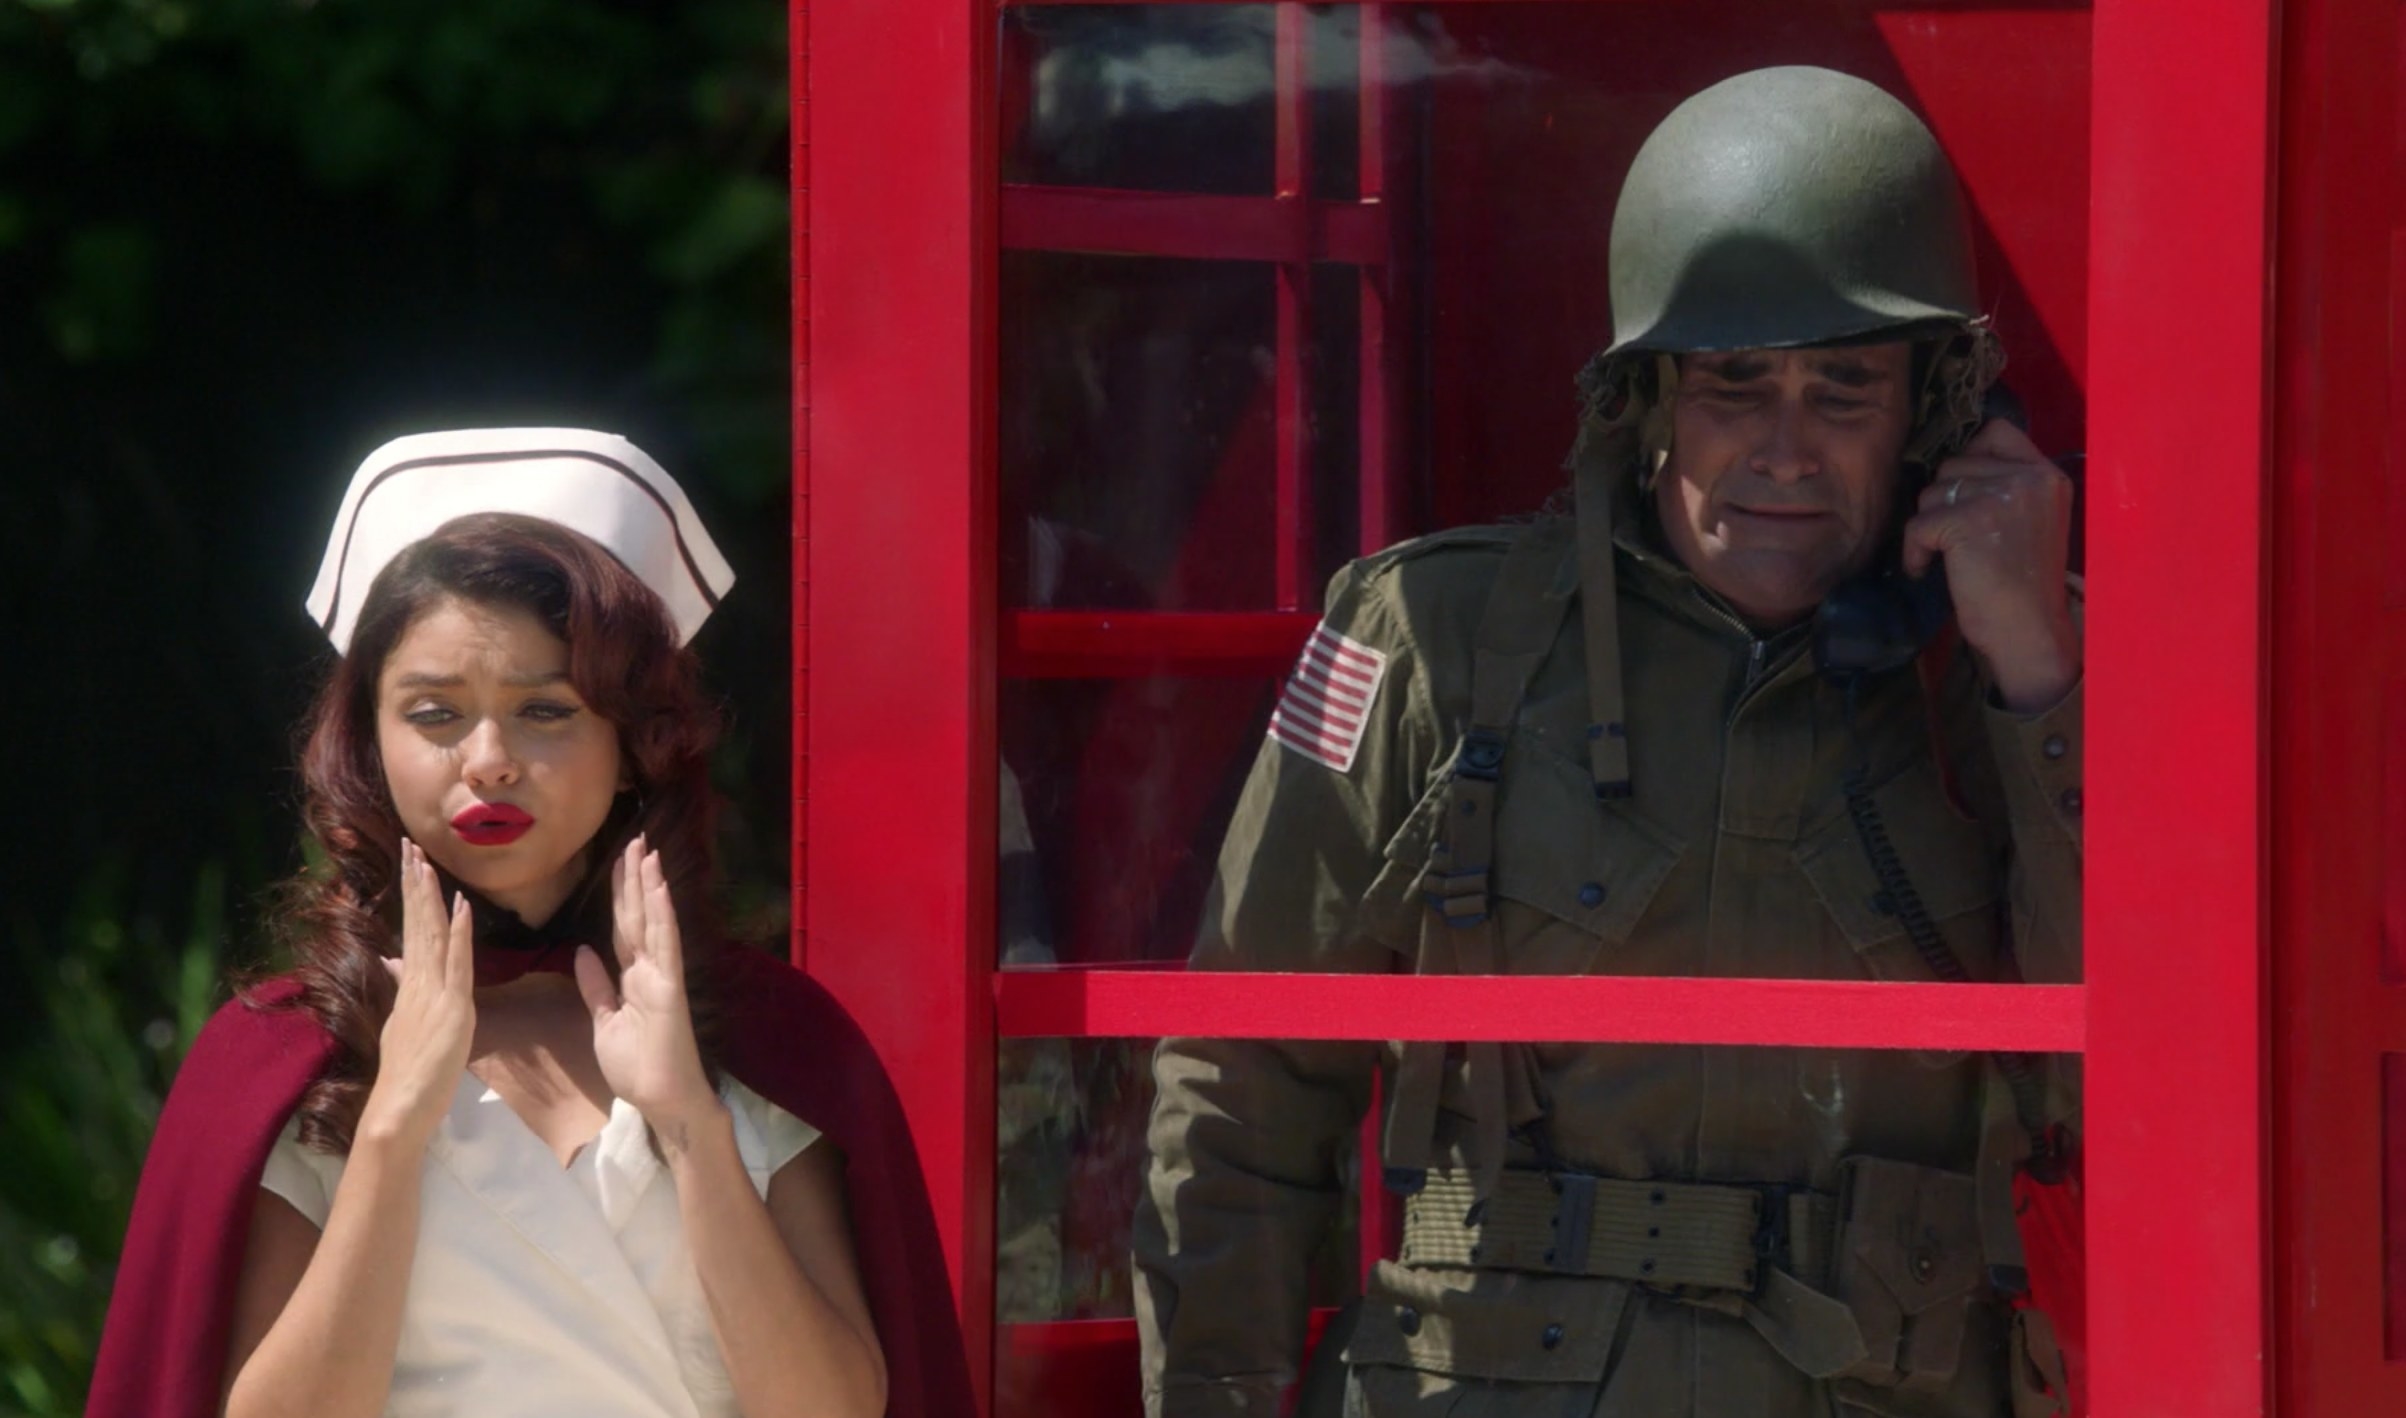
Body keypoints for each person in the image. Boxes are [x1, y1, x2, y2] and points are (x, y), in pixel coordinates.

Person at [1132, 67, 2083, 1418]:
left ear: (1934, 411)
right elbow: (1237, 1081)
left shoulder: (2015, 672)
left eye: (1845, 389)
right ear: (1644, 405)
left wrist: (2036, 677)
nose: (1785, 448)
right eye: (1731, 384)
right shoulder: (1431, 638)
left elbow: (2140, 1089)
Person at [90, 428, 974, 1417]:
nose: (489, 759)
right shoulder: (295, 1050)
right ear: (366, 746)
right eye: (432, 713)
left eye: (546, 710)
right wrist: (391, 1123)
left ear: (634, 743)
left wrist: (689, 1121)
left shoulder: (769, 1039)